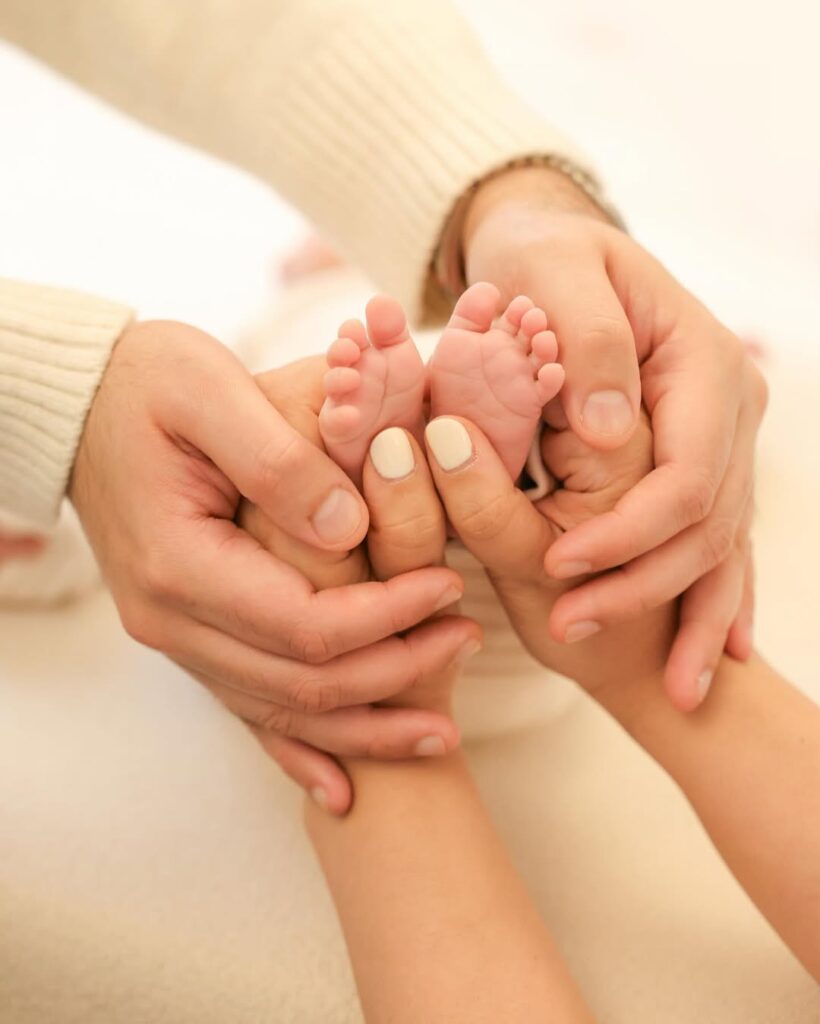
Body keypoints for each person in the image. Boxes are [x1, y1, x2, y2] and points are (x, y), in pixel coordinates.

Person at [0, 1, 763, 811]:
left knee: (284, 418)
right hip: (540, 628)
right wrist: (52, 411)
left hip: (333, 586)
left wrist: (502, 192)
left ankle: (407, 467)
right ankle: (520, 466)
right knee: (378, 386)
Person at [251, 312, 818, 1019]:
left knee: (286, 395)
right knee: (583, 447)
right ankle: (523, 483)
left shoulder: (311, 314)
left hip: (359, 571)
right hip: (554, 596)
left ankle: (385, 733)